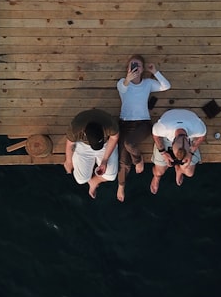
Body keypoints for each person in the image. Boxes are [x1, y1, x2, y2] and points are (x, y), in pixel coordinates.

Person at [115, 54, 170, 202]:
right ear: (128, 68)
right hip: (125, 124)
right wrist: (128, 78)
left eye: (138, 65)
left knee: (129, 144)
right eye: (132, 65)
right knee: (122, 160)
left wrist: (155, 72)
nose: (135, 68)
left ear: (142, 69)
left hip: (143, 124)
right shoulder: (123, 83)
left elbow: (166, 86)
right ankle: (121, 185)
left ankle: (138, 160)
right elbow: (121, 87)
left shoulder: (147, 83)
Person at [63, 108, 120, 199]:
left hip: (105, 144)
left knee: (111, 176)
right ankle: (90, 179)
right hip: (83, 146)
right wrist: (68, 161)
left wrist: (105, 160)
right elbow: (69, 144)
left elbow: (114, 138)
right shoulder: (75, 128)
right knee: (81, 180)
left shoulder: (111, 125)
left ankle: (94, 181)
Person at [149, 108, 207, 194]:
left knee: (189, 173)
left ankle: (179, 170)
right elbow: (156, 136)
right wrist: (163, 152)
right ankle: (157, 177)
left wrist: (192, 151)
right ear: (171, 144)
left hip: (187, 135)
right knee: (159, 172)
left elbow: (202, 137)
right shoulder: (163, 128)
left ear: (188, 141)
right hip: (167, 137)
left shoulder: (197, 129)